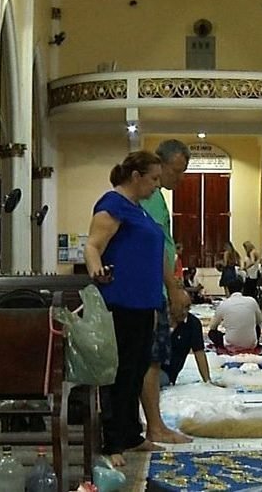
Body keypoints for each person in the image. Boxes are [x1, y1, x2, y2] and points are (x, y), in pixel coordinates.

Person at [84, 151, 180, 463]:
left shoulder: (139, 210)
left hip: (144, 302)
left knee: (137, 370)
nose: (157, 185)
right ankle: (112, 443)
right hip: (121, 301)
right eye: (153, 179)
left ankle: (131, 435)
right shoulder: (113, 205)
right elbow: (93, 245)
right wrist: (97, 271)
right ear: (135, 176)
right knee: (120, 373)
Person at [138, 139, 193, 445]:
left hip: (156, 286)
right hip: (153, 288)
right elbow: (156, 246)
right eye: (178, 170)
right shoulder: (150, 198)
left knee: (152, 359)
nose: (180, 177)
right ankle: (154, 427)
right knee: (151, 360)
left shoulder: (157, 197)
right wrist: (173, 289)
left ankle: (150, 426)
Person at [160, 302, 212, 387]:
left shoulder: (192, 323)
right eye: (180, 307)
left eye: (187, 307)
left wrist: (207, 381)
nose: (184, 312)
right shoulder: (160, 319)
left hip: (167, 372)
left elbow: (199, 353)